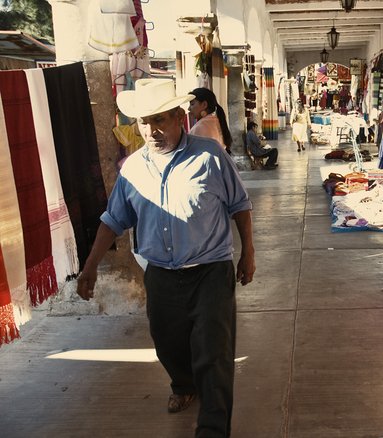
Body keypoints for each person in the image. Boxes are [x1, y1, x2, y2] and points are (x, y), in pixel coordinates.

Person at [76, 78, 255, 437]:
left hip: (210, 270)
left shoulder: (210, 155)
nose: (153, 130)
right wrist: (91, 266)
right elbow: (113, 221)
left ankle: (213, 428)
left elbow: (240, 205)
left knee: (214, 350)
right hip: (160, 272)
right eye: (145, 122)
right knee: (168, 342)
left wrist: (248, 252)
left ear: (178, 118)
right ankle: (183, 384)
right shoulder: (132, 169)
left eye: (160, 120)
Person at [188, 87, 233, 154]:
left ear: (204, 105)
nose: (189, 108)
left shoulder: (201, 127)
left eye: (192, 104)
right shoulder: (215, 121)